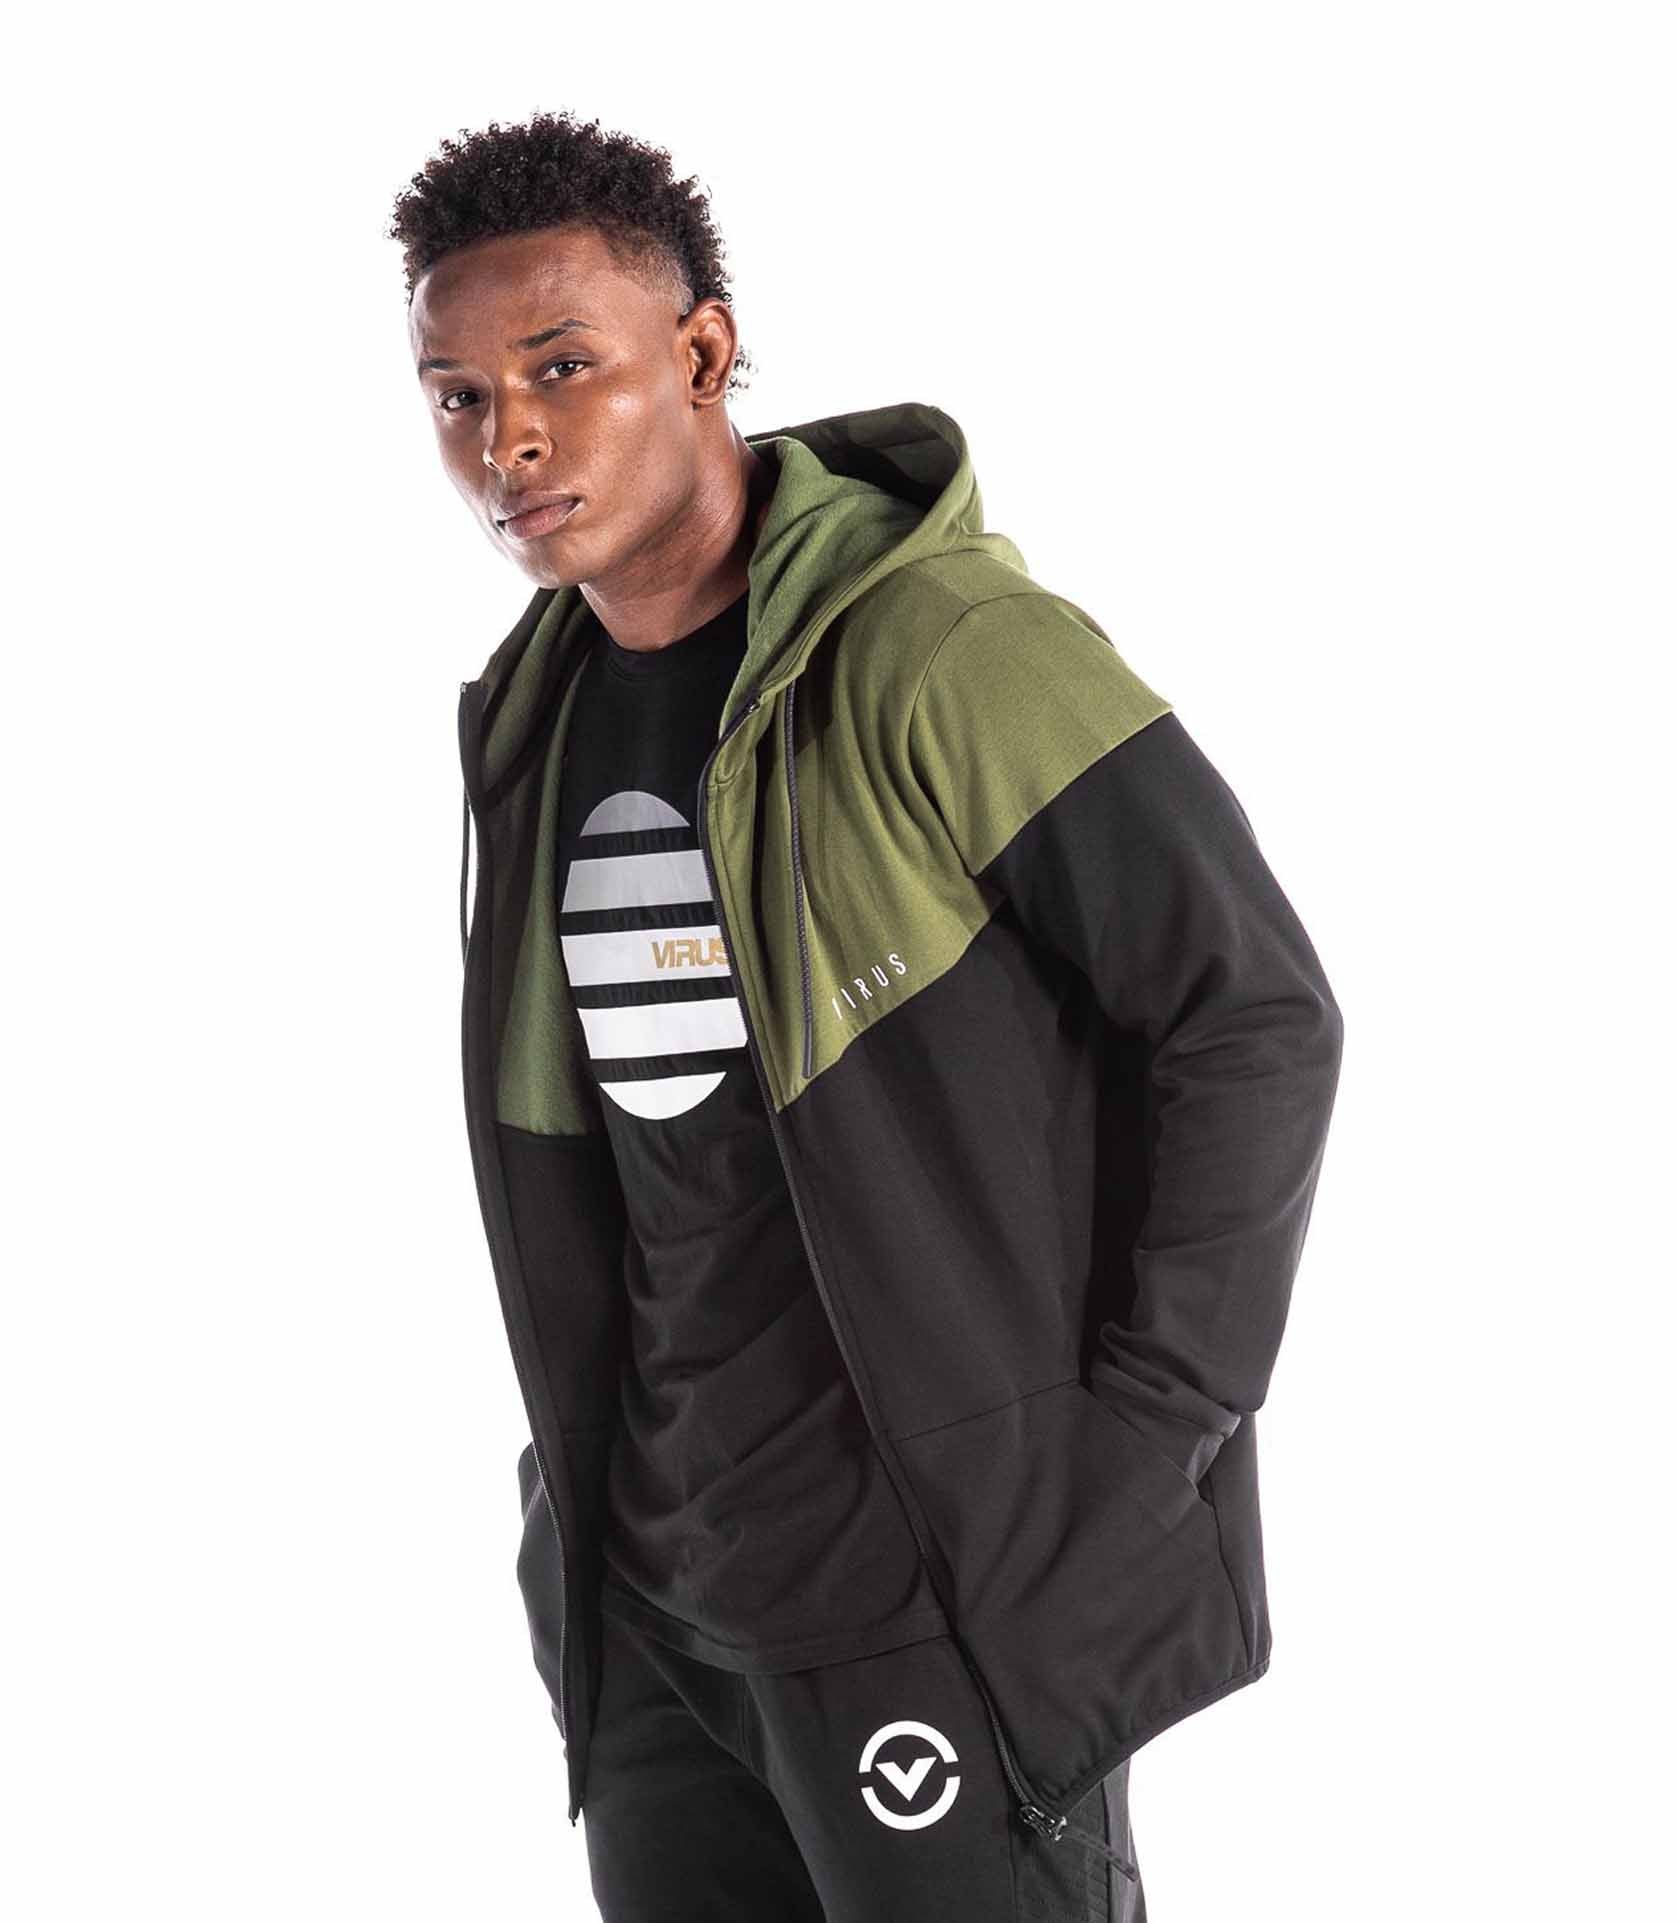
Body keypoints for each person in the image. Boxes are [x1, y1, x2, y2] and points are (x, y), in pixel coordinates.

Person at [391, 109, 1344, 1923]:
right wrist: (571, 1530)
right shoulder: (536, 712)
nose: (506, 437)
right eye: (456, 394)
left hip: (934, 1598)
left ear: (702, 354)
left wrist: (1150, 1439)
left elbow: (1252, 1015)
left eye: (562, 367)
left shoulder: (944, 650)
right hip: (655, 1612)